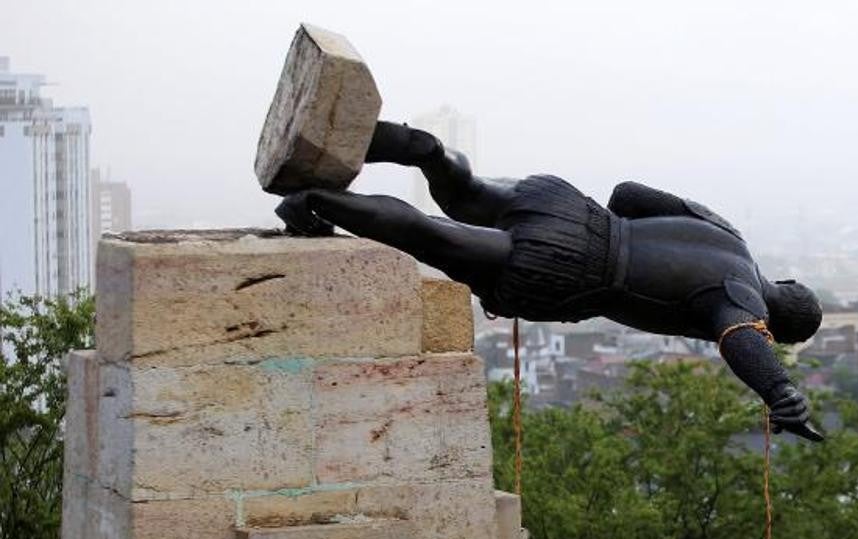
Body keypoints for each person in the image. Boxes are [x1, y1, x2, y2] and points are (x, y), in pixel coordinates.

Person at [275, 121, 824, 441]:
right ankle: (315, 201)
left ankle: (425, 151)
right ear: (781, 325)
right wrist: (781, 393)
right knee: (435, 237)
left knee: (464, 190)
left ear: (788, 281)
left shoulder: (726, 235)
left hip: (569, 208)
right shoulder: (742, 302)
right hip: (575, 267)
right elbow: (742, 341)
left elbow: (628, 194)